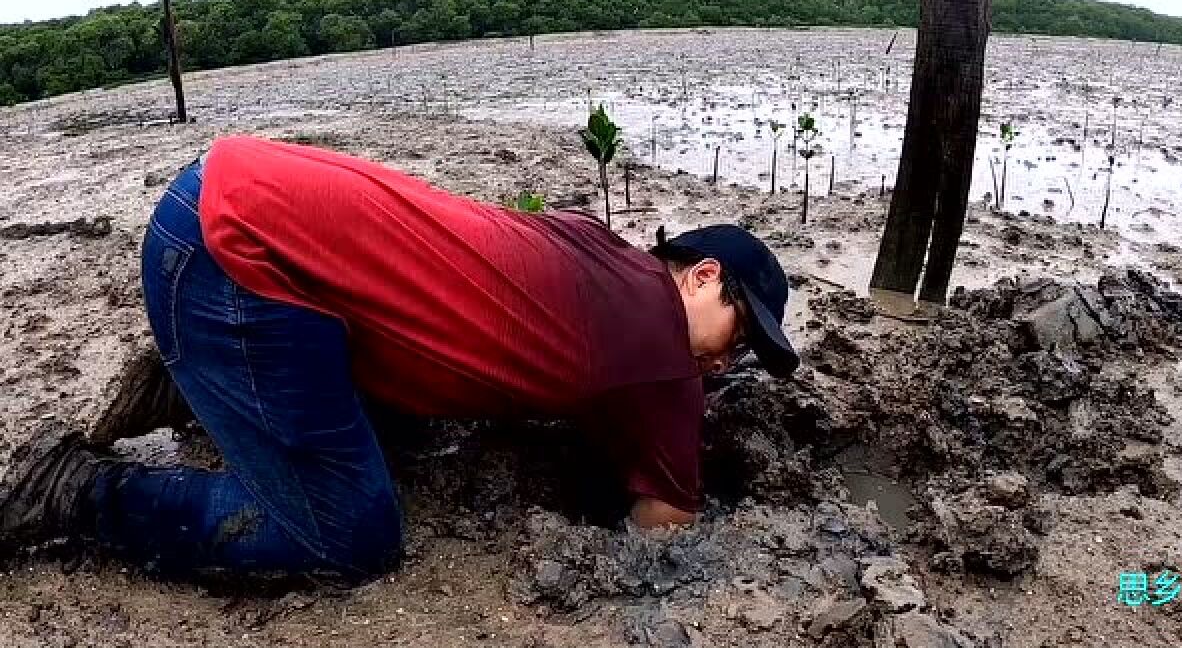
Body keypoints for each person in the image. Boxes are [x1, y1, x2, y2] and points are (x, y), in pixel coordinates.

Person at [0, 135, 798, 583]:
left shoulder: (589, 240)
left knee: (410, 431)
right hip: (234, 261)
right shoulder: (661, 352)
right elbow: (667, 521)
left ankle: (198, 379)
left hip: (220, 195)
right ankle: (75, 489)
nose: (728, 365)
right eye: (742, 336)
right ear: (701, 277)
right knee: (346, 538)